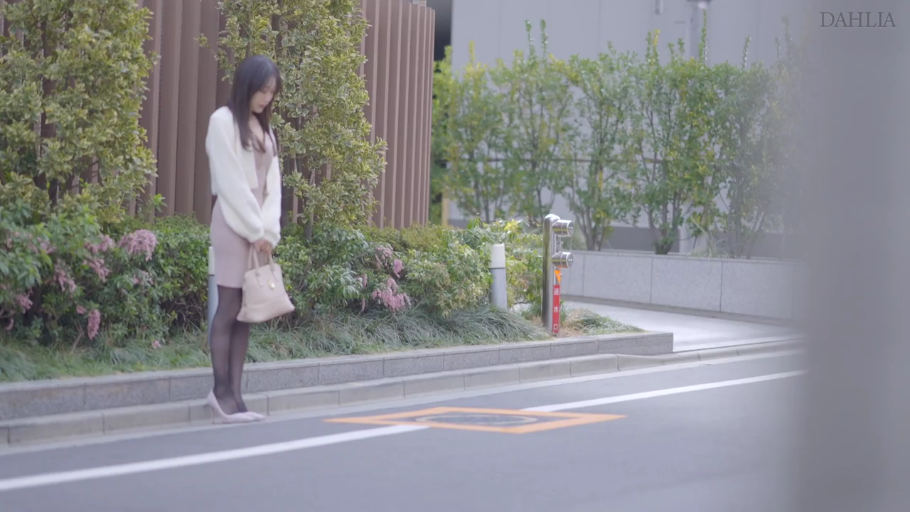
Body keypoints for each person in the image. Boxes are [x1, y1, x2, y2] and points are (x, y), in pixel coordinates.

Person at [205, 55, 283, 424]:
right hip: (232, 224)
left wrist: (268, 232)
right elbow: (232, 184)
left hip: (257, 231)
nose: (267, 98)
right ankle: (220, 394)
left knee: (246, 313)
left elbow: (273, 187)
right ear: (246, 86)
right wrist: (256, 231)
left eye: (272, 92)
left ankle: (237, 397)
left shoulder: (264, 128)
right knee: (230, 306)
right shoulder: (222, 121)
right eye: (262, 90)